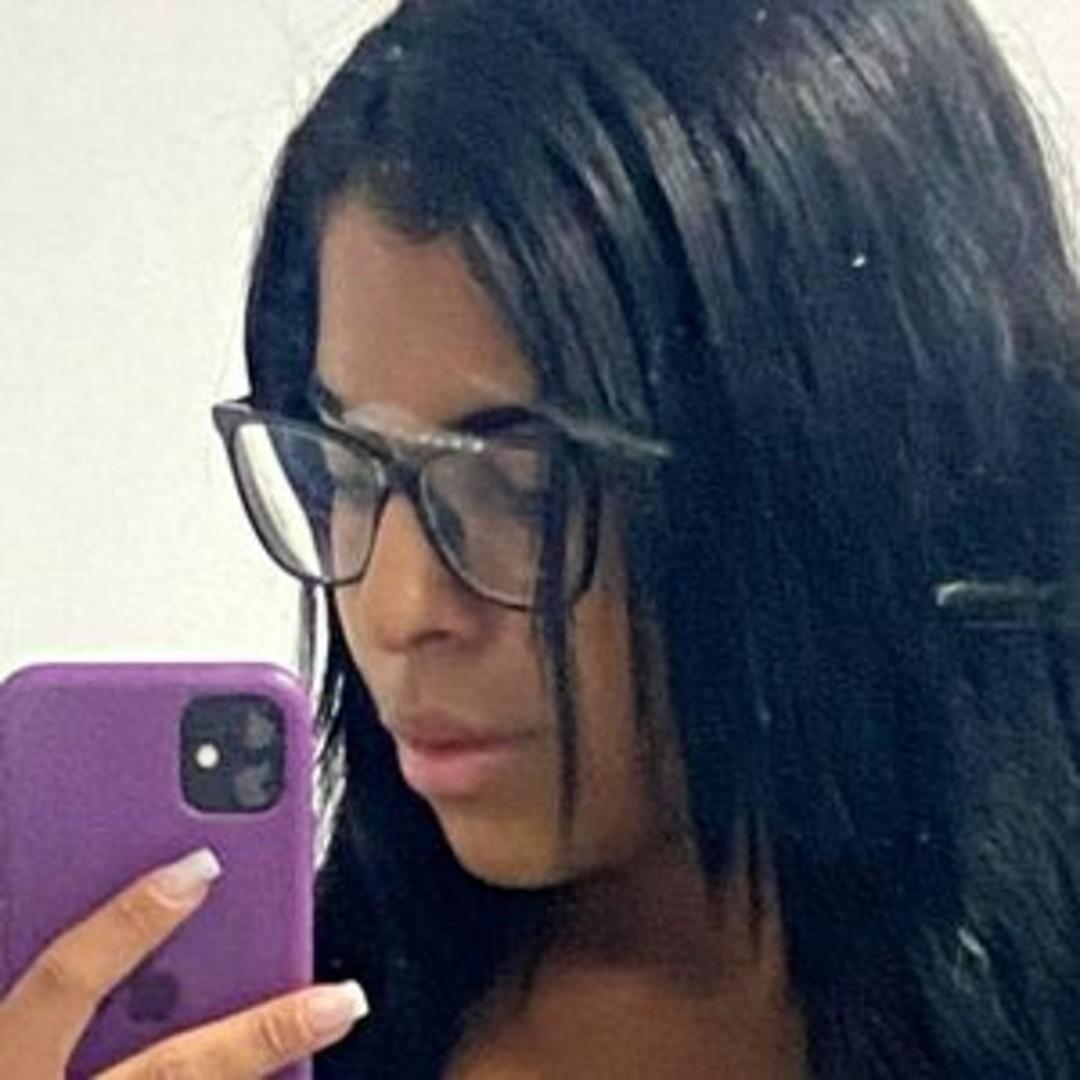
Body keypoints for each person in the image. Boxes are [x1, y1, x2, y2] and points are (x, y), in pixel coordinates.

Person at [4, 0, 1080, 1075]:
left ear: (841, 471)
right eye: (346, 467)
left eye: (519, 490)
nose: (396, 608)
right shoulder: (308, 1021)